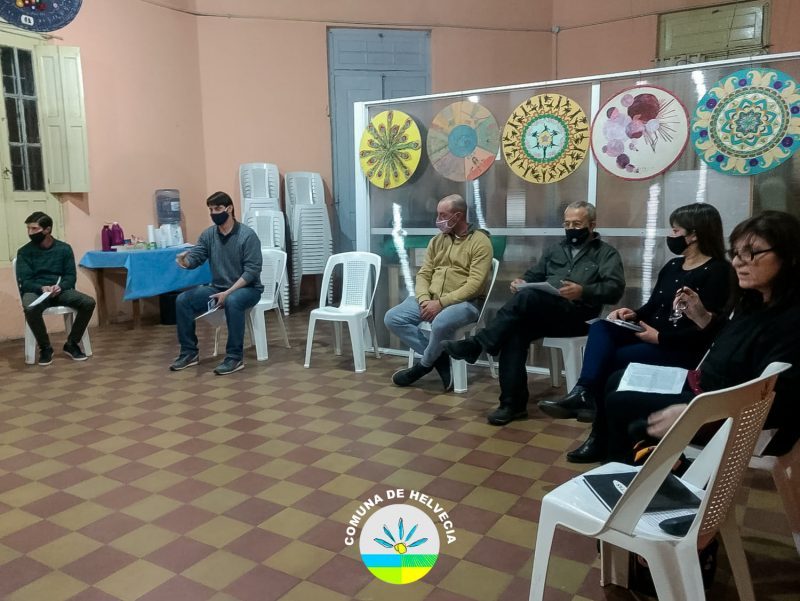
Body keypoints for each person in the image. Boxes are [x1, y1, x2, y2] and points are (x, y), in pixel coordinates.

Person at [538, 203, 733, 463]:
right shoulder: (673, 265)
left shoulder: (719, 271)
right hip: (652, 335)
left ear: (693, 235)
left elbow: (709, 331)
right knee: (601, 326)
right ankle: (584, 391)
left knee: (616, 360)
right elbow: (653, 307)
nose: (670, 235)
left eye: (675, 230)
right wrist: (632, 314)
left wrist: (660, 338)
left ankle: (600, 436)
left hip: (679, 348)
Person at [604, 210, 800, 463]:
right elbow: (727, 343)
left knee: (621, 403)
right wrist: (702, 316)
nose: (738, 262)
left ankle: (631, 470)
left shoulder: (790, 321)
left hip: (725, 407)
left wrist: (696, 413)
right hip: (704, 384)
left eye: (751, 252)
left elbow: (774, 398)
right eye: (736, 253)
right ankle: (621, 455)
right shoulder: (753, 301)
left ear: (790, 256)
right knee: (618, 378)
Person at [444, 200, 625, 425]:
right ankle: (512, 405)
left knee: (528, 298)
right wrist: (522, 281)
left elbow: (614, 289)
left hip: (579, 317)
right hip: (549, 313)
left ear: (592, 225)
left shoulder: (606, 254)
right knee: (513, 332)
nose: (571, 228)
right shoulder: (555, 249)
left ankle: (478, 344)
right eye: (567, 224)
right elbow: (535, 274)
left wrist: (583, 291)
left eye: (577, 224)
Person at [386, 194, 493, 391]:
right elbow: (424, 274)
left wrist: (441, 303)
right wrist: (424, 299)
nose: (438, 220)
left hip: (465, 303)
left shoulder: (480, 241)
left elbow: (475, 285)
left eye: (443, 215)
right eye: (438, 214)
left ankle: (423, 366)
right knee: (393, 318)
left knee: (441, 322)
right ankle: (440, 357)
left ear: (458, 216)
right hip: (431, 299)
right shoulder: (437, 241)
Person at [171, 191, 263, 375]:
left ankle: (234, 358)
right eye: (211, 210)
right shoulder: (209, 235)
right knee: (182, 300)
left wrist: (228, 293)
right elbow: (196, 257)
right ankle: (189, 353)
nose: (214, 213)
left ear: (229, 208)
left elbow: (252, 271)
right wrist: (185, 262)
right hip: (217, 288)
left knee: (233, 300)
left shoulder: (247, 235)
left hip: (248, 289)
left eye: (218, 208)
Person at [15, 211, 96, 365]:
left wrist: (60, 287)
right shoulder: (24, 252)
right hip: (37, 292)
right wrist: (41, 288)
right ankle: (45, 348)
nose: (30, 233)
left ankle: (72, 344)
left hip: (60, 291)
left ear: (47, 229)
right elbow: (25, 281)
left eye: (34, 229)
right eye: (28, 229)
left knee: (88, 302)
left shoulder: (64, 249)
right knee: (30, 307)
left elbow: (70, 276)